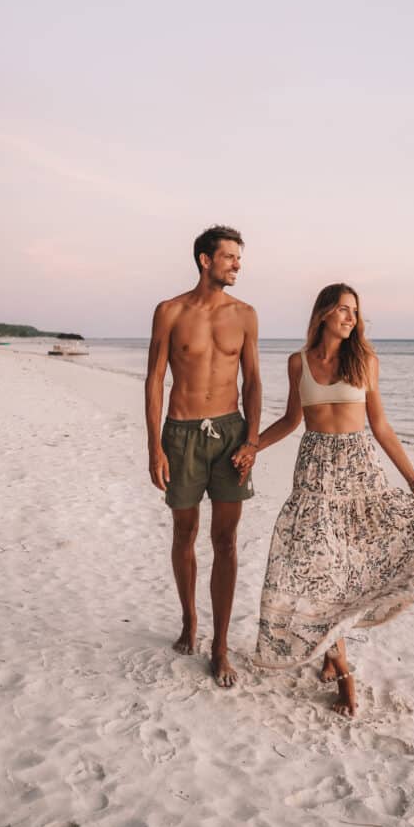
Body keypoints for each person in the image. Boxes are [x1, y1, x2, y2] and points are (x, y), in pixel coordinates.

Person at [246, 283, 414, 716]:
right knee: (318, 568)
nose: (350, 318)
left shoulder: (364, 361)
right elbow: (292, 420)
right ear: (323, 313)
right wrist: (253, 447)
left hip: (359, 473)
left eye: (354, 312)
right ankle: (342, 669)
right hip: (313, 475)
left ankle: (333, 658)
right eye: (343, 310)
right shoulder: (297, 363)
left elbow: (380, 427)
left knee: (345, 571)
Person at [145, 225, 262, 687]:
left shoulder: (246, 314)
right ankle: (190, 620)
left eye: (239, 257)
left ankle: (220, 646)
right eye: (230, 257)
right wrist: (153, 444)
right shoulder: (170, 311)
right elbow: (155, 378)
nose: (237, 264)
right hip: (181, 434)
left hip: (231, 436)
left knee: (227, 541)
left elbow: (252, 382)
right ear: (204, 260)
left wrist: (252, 440)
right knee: (185, 531)